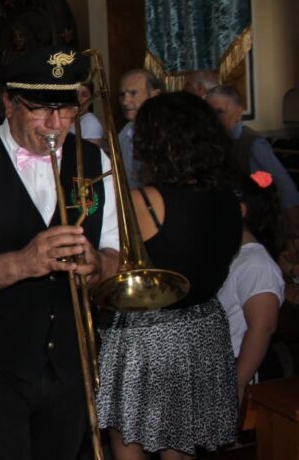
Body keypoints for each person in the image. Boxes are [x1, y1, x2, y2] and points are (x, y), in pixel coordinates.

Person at [0, 45, 120, 460]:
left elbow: (116, 254)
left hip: (72, 363)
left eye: (67, 110)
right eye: (39, 109)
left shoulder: (94, 159)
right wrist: (24, 262)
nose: (56, 124)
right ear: (8, 104)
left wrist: (98, 265)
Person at [98, 91, 242, 459]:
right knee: (182, 447)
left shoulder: (145, 200)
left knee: (129, 438)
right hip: (205, 328)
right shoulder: (229, 198)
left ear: (154, 144)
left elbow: (112, 270)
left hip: (150, 335)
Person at [217, 171, 286, 404]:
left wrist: (238, 382)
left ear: (240, 211)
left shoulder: (257, 263)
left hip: (239, 365)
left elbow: (262, 327)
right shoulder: (230, 255)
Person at [206, 83, 299, 244]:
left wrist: (293, 225)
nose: (214, 119)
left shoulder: (252, 143)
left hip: (257, 223)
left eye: (220, 112)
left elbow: (283, 184)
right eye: (210, 113)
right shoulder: (216, 141)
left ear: (238, 113)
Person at [118, 68, 163, 188]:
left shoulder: (165, 132)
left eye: (133, 93)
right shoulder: (125, 132)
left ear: (155, 94)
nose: (125, 102)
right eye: (122, 95)